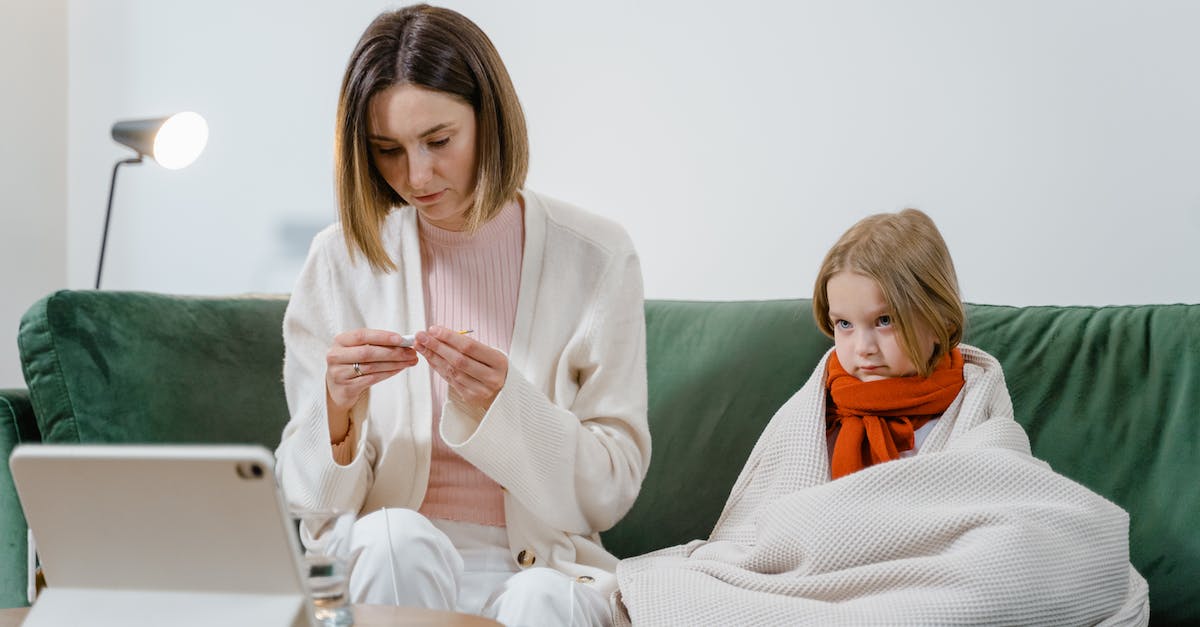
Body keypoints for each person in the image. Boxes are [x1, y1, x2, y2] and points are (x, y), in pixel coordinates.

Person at [274, 5, 649, 626]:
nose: (416, 176)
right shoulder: (339, 261)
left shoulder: (597, 256)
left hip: (542, 567)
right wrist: (337, 411)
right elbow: (310, 502)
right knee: (392, 539)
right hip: (389, 561)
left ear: (489, 120)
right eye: (388, 150)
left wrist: (507, 404)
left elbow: (609, 492)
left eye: (439, 141)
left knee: (541, 600)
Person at [614, 209, 1149, 626]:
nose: (862, 347)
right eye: (844, 325)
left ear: (936, 317)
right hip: (810, 578)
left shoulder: (974, 397)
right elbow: (764, 521)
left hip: (917, 579)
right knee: (693, 583)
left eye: (885, 321)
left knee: (1036, 567)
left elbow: (1001, 502)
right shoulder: (818, 404)